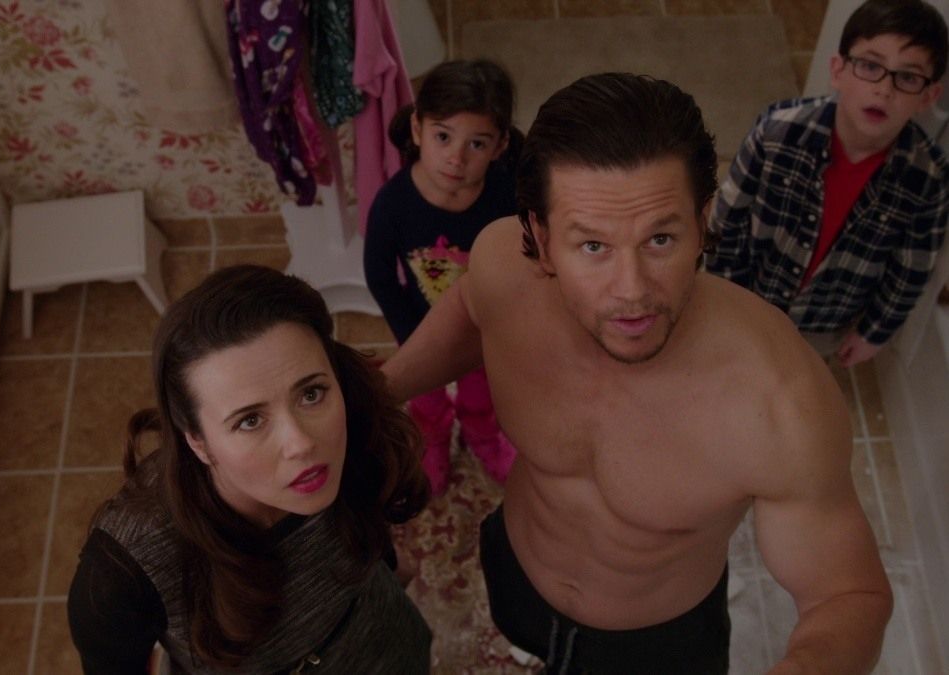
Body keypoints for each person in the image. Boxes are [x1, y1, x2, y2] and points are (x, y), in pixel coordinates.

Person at [381, 72, 893, 673]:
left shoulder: (779, 398)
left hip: (657, 640)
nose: (631, 291)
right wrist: (380, 389)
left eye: (660, 239)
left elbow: (847, 595)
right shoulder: (503, 268)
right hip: (518, 571)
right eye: (593, 247)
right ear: (541, 239)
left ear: (702, 223)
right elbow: (469, 313)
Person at [67, 265, 432, 673]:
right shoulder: (122, 574)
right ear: (197, 441)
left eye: (311, 393)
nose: (302, 444)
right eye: (250, 421)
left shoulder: (354, 419)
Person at [707, 0, 948, 367]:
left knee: (793, 375)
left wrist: (873, 333)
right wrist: (726, 292)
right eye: (870, 66)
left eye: (908, 77)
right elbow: (727, 219)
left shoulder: (928, 179)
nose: (885, 89)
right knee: (733, 363)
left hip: (824, 323)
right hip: (752, 295)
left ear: (928, 97)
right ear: (838, 71)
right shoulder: (777, 132)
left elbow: (910, 270)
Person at [363, 58, 520, 495]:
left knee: (486, 392)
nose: (456, 157)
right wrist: (415, 339)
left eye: (477, 143)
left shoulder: (508, 196)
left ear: (500, 146)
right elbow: (379, 276)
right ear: (418, 129)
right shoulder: (392, 204)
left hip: (486, 327)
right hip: (422, 328)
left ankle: (483, 435)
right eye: (444, 136)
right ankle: (431, 440)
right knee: (425, 398)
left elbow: (523, 258)